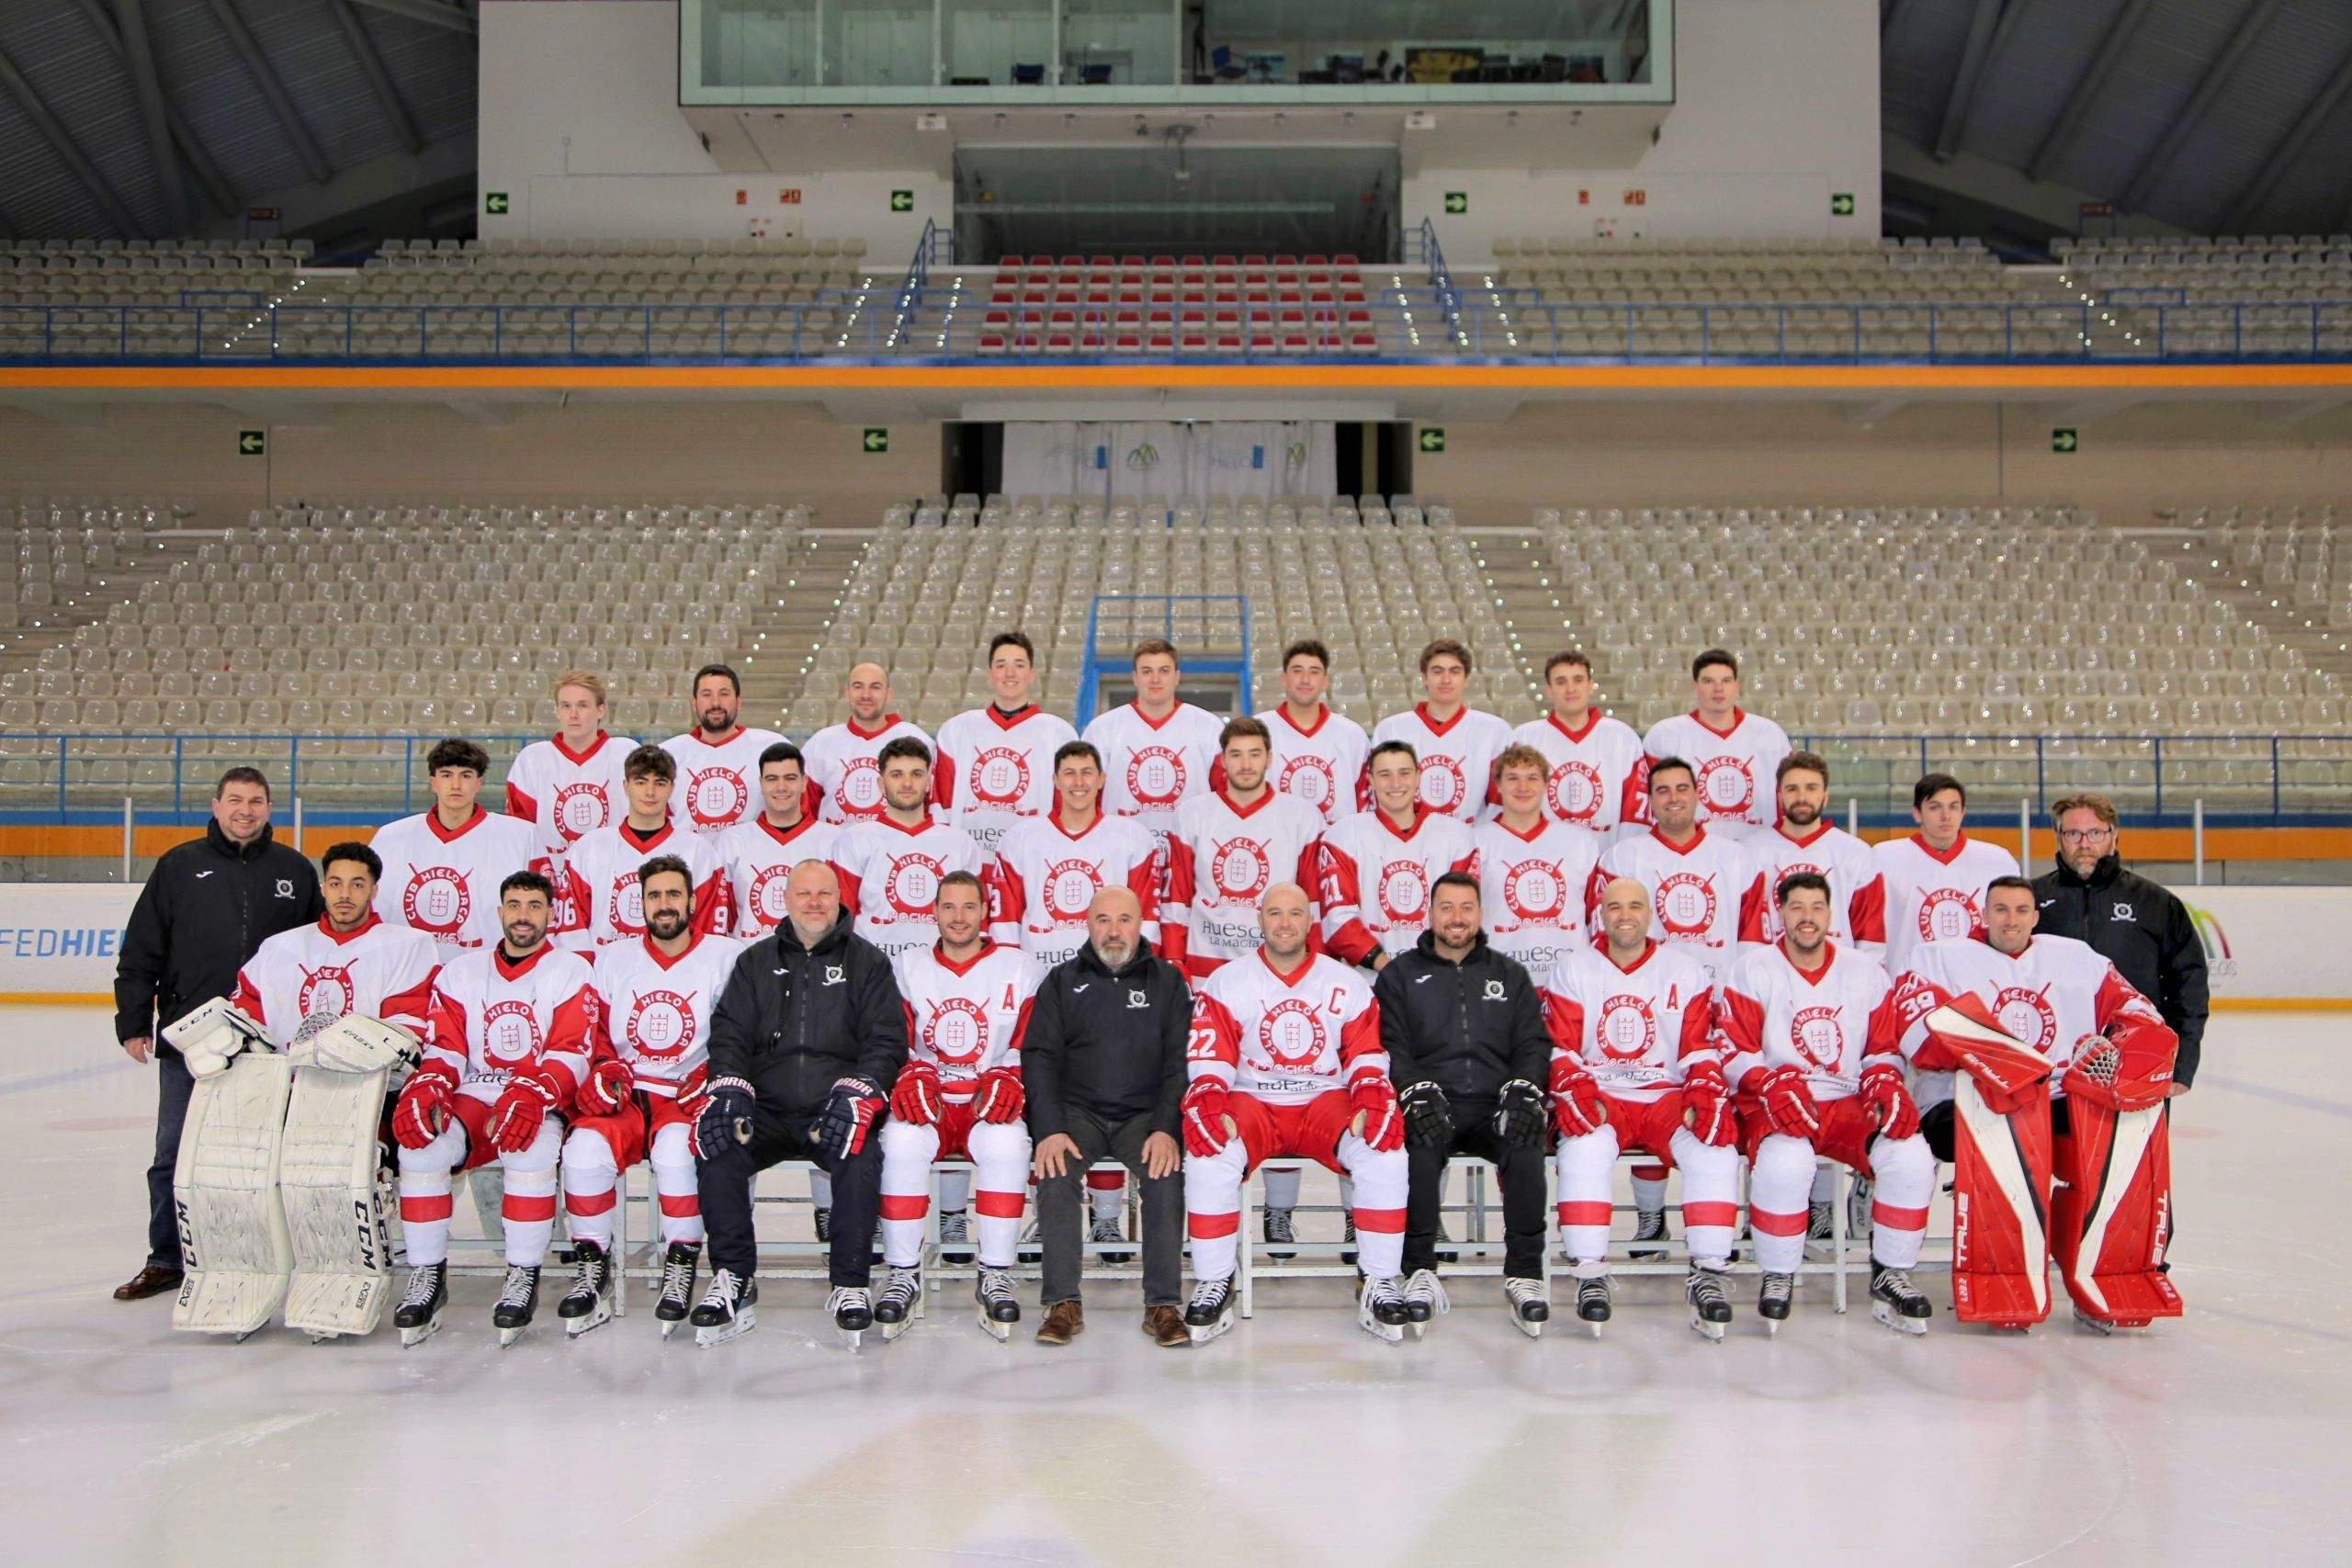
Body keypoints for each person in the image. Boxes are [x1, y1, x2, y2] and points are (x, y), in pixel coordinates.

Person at [1895, 874, 2182, 1331]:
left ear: (2036, 915)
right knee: (2008, 1124)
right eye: (2001, 909)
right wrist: (2007, 1066)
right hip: (1963, 1101)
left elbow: (2137, 1010)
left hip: (2058, 1097)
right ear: (1983, 913)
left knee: (2128, 1127)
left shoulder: (2076, 958)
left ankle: (2104, 1271)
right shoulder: (1936, 957)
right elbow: (1920, 1032)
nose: (2011, 920)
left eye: (2021, 910)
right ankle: (2002, 1276)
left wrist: (2132, 1052)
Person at [111, 766, 322, 1302]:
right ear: (216, 804)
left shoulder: (295, 871)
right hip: (190, 1037)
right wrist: (134, 1021)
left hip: (270, 1041)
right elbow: (141, 949)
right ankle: (166, 1258)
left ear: (269, 809)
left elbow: (322, 954)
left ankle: (278, 1255)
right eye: (235, 800)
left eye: (255, 801)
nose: (245, 810)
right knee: (174, 1153)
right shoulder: (179, 866)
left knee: (271, 1154)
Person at [1178, 884, 1411, 1343]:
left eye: (1295, 913)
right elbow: (1211, 1057)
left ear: (1310, 922)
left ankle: (1380, 1279)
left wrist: (1370, 1089)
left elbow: (1365, 1052)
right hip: (1255, 1099)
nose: (1285, 923)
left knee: (1384, 1148)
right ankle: (1214, 1279)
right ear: (1260, 920)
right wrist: (1208, 1091)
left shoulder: (1345, 982)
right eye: (1275, 913)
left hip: (1324, 1100)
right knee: (1209, 1150)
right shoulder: (1228, 980)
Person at [690, 859, 909, 1345]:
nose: (814, 903)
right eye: (804, 894)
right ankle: (734, 1279)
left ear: (839, 899)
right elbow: (728, 1034)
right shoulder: (754, 961)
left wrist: (860, 1090)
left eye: (824, 894)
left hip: (833, 1107)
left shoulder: (867, 962)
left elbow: (886, 1041)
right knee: (717, 1145)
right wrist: (729, 1086)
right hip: (764, 1108)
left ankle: (850, 1282)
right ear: (785, 900)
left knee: (860, 1153)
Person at [1716, 873, 1937, 1335]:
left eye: (1817, 907)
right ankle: (1777, 1274)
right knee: (1785, 1162)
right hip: (1778, 1102)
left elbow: (1882, 1046)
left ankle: (1891, 1271)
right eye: (1797, 908)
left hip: (1846, 1099)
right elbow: (1734, 1049)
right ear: (1781, 913)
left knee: (1910, 1155)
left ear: (1830, 914)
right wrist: (1767, 1081)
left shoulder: (1864, 972)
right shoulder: (1752, 968)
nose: (1807, 917)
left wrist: (1883, 1076)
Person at [390, 870, 596, 1346]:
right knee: (419, 1150)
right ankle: (427, 1276)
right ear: (500, 912)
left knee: (532, 1153)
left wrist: (532, 1091)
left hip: (536, 1099)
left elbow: (572, 1050)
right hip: (474, 1097)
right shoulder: (461, 970)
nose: (524, 915)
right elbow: (446, 1046)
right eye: (515, 905)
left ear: (550, 913)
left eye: (534, 906)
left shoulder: (569, 969)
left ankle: (523, 1274)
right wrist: (431, 1084)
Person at [558, 854, 745, 1337]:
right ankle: (591, 1267)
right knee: (581, 1153)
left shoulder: (725, 955)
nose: (664, 905)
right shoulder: (613, 958)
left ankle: (680, 1263)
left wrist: (716, 1070)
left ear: (692, 900)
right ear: (640, 904)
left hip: (685, 1096)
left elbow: (742, 1030)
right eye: (655, 896)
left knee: (678, 1155)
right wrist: (602, 1065)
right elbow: (591, 1028)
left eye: (673, 895)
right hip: (624, 1094)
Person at [1544, 876, 1739, 1337]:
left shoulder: (1685, 969)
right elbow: (1561, 1046)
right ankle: (1589, 1273)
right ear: (1600, 914)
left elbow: (1697, 1046)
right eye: (1614, 906)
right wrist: (1571, 1083)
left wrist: (1704, 1086)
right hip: (1603, 1095)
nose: (1624, 915)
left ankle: (1708, 1272)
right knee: (1583, 1152)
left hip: (1664, 1096)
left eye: (1634, 906)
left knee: (1715, 1150)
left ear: (1650, 914)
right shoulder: (1574, 967)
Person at [1376, 872, 1554, 1335]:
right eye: (1447, 908)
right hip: (1435, 1100)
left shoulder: (1510, 974)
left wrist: (1522, 1088)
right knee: (1415, 1145)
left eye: (1466, 908)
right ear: (1431, 913)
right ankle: (1419, 1270)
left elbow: (1533, 1043)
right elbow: (1389, 1044)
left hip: (1494, 1102)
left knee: (1526, 1138)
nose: (1457, 918)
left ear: (1480, 914)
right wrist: (1413, 1089)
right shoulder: (1399, 975)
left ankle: (1525, 1273)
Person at [873, 872, 1044, 1339]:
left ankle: (995, 1271)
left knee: (1008, 1145)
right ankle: (903, 1272)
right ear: (934, 912)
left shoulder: (1020, 966)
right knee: (901, 1142)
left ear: (985, 911)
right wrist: (910, 1069)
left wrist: (1011, 1071)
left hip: (988, 1103)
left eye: (969, 907)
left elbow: (1034, 1038)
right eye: (949, 907)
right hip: (930, 1103)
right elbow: (892, 1035)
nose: (959, 917)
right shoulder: (907, 965)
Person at [1023, 886, 1193, 1348]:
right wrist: (1050, 1129)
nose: (1114, 931)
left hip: (1144, 1115)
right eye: (1103, 919)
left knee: (1166, 1173)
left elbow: (1181, 1062)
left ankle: (1162, 1303)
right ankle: (1062, 1302)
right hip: (1078, 1114)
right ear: (1088, 924)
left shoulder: (1168, 982)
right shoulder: (1061, 981)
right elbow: (1039, 1059)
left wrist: (1165, 1127)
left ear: (1141, 925)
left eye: (1124, 919)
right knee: (1054, 1173)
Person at [2030, 793, 2208, 1094]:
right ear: (2059, 838)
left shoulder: (2155, 902)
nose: (2085, 843)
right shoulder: (2031, 900)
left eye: (2095, 832)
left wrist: (2180, 1064)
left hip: (2138, 1063)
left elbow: (2188, 986)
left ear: (2114, 836)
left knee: (2135, 1144)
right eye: (2073, 833)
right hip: (2052, 1071)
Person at [1161, 716, 1326, 980]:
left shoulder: (1303, 817)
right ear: (1223, 760)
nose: (1246, 764)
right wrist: (1174, 960)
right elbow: (1176, 898)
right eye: (1236, 755)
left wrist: (1315, 966)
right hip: (1205, 969)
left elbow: (1314, 905)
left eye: (1254, 754)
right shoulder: (1191, 814)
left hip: (1277, 970)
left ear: (1269, 758)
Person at [230, 840, 438, 1044]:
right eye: (335, 884)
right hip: (286, 1077)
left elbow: (406, 1029)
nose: (345, 894)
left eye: (357, 885)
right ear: (323, 888)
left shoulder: (407, 947)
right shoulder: (277, 948)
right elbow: (245, 1017)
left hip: (365, 1077)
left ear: (374, 891)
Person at [991, 739, 1163, 968]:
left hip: (1109, 974)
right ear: (1055, 780)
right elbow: (1005, 919)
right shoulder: (1020, 838)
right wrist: (1009, 971)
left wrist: (1139, 970)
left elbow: (1146, 916)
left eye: (1087, 773)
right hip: (1038, 974)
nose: (1079, 782)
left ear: (1101, 779)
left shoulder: (1133, 838)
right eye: (1069, 773)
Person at [1319, 739, 1478, 968]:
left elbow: (1461, 914)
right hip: (1369, 981)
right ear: (1371, 780)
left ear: (1418, 777)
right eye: (1385, 774)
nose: (1395, 783)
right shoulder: (1343, 835)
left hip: (1439, 977)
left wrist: (1430, 972)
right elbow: (1338, 919)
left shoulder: (1457, 835)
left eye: (1404, 773)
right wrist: (1388, 967)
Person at [370, 737, 539, 951]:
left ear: (479, 782)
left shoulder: (521, 836)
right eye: (447, 775)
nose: (456, 785)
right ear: (433, 782)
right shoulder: (390, 838)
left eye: (466, 775)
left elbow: (542, 910)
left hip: (485, 972)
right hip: (408, 972)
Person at [553, 743, 728, 950]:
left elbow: (708, 932)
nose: (650, 792)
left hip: (676, 977)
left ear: (672, 788)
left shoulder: (699, 851)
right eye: (641, 782)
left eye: (660, 783)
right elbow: (571, 931)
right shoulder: (589, 848)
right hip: (604, 976)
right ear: (626, 786)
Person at [831, 736, 989, 962]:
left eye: (916, 774)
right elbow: (841, 917)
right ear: (881, 784)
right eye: (897, 775)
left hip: (939, 971)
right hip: (874, 971)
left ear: (928, 783)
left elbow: (977, 917)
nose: (907, 783)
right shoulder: (854, 840)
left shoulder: (960, 843)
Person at [503, 671, 635, 926]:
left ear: (600, 710)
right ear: (557, 711)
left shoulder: (625, 754)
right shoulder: (533, 760)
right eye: (566, 706)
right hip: (550, 890)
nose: (573, 714)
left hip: (615, 882)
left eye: (582, 705)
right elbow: (519, 833)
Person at [933, 630, 1080, 856]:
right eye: (1001, 665)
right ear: (990, 674)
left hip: (1031, 861)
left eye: (1019, 665)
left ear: (1032, 675)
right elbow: (941, 803)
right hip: (969, 866)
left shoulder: (1059, 734)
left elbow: (1066, 806)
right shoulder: (956, 730)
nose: (1010, 673)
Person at [1079, 637, 1227, 861]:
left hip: (1190, 853)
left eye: (1164, 671)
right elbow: (1087, 797)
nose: (1155, 679)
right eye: (1147, 671)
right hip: (1119, 852)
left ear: (1177, 676)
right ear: (1135, 678)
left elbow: (1224, 795)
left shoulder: (1209, 727)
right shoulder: (1102, 729)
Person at [1471, 741, 1600, 979]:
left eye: (1532, 778)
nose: (1523, 787)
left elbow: (1598, 914)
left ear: (1546, 784)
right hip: (1498, 980)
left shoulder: (1581, 842)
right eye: (1512, 778)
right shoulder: (1474, 842)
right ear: (1498, 785)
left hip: (1569, 982)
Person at [1872, 772, 2018, 974]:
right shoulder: (1883, 858)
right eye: (1935, 807)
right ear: (1917, 813)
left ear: (1963, 812)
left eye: (1953, 807)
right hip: (1908, 987)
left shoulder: (1998, 861)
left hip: (1979, 987)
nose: (1946, 816)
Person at [1639, 648, 1791, 840]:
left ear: (1737, 685)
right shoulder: (1664, 736)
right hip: (1692, 857)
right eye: (1708, 681)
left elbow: (1787, 798)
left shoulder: (1770, 735)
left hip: (1757, 852)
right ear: (1695, 686)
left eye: (1726, 681)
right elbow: (1647, 803)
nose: (1718, 689)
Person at [1753, 752, 1884, 953]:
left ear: (1825, 796)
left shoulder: (1856, 853)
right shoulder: (1750, 852)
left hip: (1838, 978)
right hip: (1770, 977)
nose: (1801, 797)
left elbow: (1871, 938)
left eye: (1811, 788)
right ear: (1779, 796)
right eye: (1792, 789)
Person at [1370, 637, 1510, 823]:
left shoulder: (1494, 731)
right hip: (1406, 845)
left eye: (1454, 671)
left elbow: (1501, 802)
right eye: (1437, 671)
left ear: (1466, 679)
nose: (1446, 679)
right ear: (1424, 678)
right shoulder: (1391, 729)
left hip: (1470, 843)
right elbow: (1378, 794)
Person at [1510, 649, 1645, 834]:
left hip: (1605, 858)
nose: (1571, 689)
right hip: (1543, 858)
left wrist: (1622, 858)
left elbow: (1635, 812)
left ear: (1590, 685)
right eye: (1561, 682)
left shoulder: (1622, 737)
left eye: (1578, 680)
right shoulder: (1524, 738)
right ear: (1549, 690)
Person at [717, 740, 841, 937]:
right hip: (751, 963)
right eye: (772, 779)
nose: (781, 787)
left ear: (804, 782)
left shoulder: (835, 840)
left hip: (814, 963)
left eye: (790, 778)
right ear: (761, 784)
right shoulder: (732, 840)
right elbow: (725, 915)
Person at [660, 662, 786, 837]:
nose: (716, 703)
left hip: (750, 860)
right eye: (706, 694)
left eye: (724, 694)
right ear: (694, 703)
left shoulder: (772, 746)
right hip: (687, 863)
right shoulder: (667, 754)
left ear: (738, 702)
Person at [1255, 637, 1370, 825]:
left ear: (1325, 681)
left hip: (1336, 848)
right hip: (1277, 846)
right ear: (1284, 679)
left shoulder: (1352, 735)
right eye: (1297, 671)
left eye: (1314, 672)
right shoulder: (1258, 729)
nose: (1305, 679)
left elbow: (1366, 804)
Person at [800, 660, 932, 824]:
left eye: (875, 687)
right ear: (847, 693)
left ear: (889, 694)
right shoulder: (821, 743)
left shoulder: (916, 739)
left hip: (897, 848)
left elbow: (931, 806)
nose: (866, 695)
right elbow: (803, 811)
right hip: (834, 848)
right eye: (858, 686)